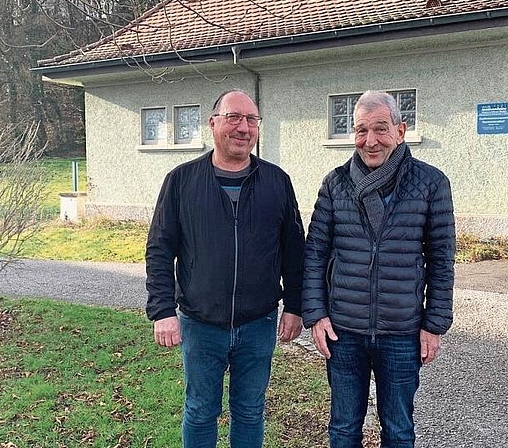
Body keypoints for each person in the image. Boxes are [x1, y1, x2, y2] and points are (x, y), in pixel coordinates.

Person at [145, 89, 305, 448]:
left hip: (258, 323)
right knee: (201, 410)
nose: (243, 127)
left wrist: (295, 306)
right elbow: (159, 248)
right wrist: (162, 310)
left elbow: (295, 250)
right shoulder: (181, 181)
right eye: (234, 117)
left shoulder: (277, 181)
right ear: (213, 122)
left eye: (251, 119)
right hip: (200, 323)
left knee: (250, 411)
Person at [302, 90, 455, 447]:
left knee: (398, 430)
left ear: (400, 131)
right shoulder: (335, 182)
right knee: (342, 429)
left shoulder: (431, 183)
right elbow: (315, 254)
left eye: (380, 129)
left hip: (401, 332)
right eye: (361, 130)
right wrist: (316, 315)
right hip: (344, 332)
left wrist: (433, 325)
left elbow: (442, 260)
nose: (370, 141)